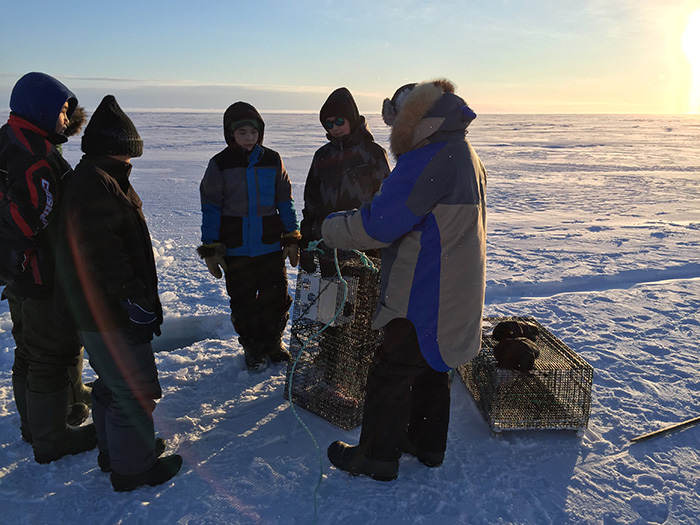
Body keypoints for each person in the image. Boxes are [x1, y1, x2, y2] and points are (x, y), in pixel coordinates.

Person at [322, 79, 488, 481]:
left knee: (391, 369)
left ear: (415, 119)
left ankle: (376, 457)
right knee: (433, 366)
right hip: (455, 286)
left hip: (424, 288)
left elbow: (377, 225)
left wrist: (329, 228)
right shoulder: (462, 151)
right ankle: (425, 444)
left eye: (397, 118)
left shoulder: (427, 159)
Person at [55, 95, 182, 491]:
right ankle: (134, 469)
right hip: (110, 313)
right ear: (116, 150)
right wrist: (133, 300)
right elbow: (102, 254)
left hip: (99, 313)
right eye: (128, 156)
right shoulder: (95, 186)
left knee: (112, 384)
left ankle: (118, 454)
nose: (131, 164)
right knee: (134, 389)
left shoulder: (99, 179)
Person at [0, 72, 97, 463]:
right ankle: (51, 437)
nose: (64, 118)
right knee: (49, 354)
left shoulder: (11, 139)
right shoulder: (34, 156)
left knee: (30, 350)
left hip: (19, 275)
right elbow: (30, 218)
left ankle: (41, 419)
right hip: (39, 274)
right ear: (39, 110)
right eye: (60, 110)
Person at [298, 87, 390, 392]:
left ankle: (361, 365)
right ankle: (330, 360)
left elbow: (387, 198)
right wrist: (306, 236)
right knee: (328, 310)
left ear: (352, 119)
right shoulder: (321, 156)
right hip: (327, 246)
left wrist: (382, 238)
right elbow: (310, 199)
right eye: (327, 123)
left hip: (365, 247)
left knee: (362, 310)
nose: (334, 127)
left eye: (338, 120)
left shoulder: (373, 154)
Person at [198, 102, 301, 371]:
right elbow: (210, 207)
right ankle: (252, 346)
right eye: (242, 132)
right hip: (236, 247)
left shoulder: (272, 159)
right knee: (243, 301)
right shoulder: (219, 164)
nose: (249, 138)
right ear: (231, 134)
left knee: (276, 298)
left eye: (253, 132)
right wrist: (211, 246)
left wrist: (291, 235)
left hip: (269, 245)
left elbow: (285, 200)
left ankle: (273, 342)